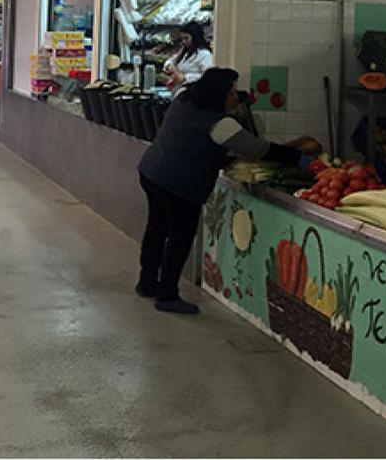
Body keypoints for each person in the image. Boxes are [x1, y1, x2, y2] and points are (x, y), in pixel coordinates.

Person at [135, 68, 319, 314]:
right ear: (218, 94)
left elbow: (192, 140)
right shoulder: (220, 124)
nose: (235, 96)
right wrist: (298, 158)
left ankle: (147, 283)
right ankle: (167, 295)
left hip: (152, 172)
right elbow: (258, 150)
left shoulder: (184, 98)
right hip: (179, 184)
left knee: (156, 229)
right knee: (180, 238)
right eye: (231, 92)